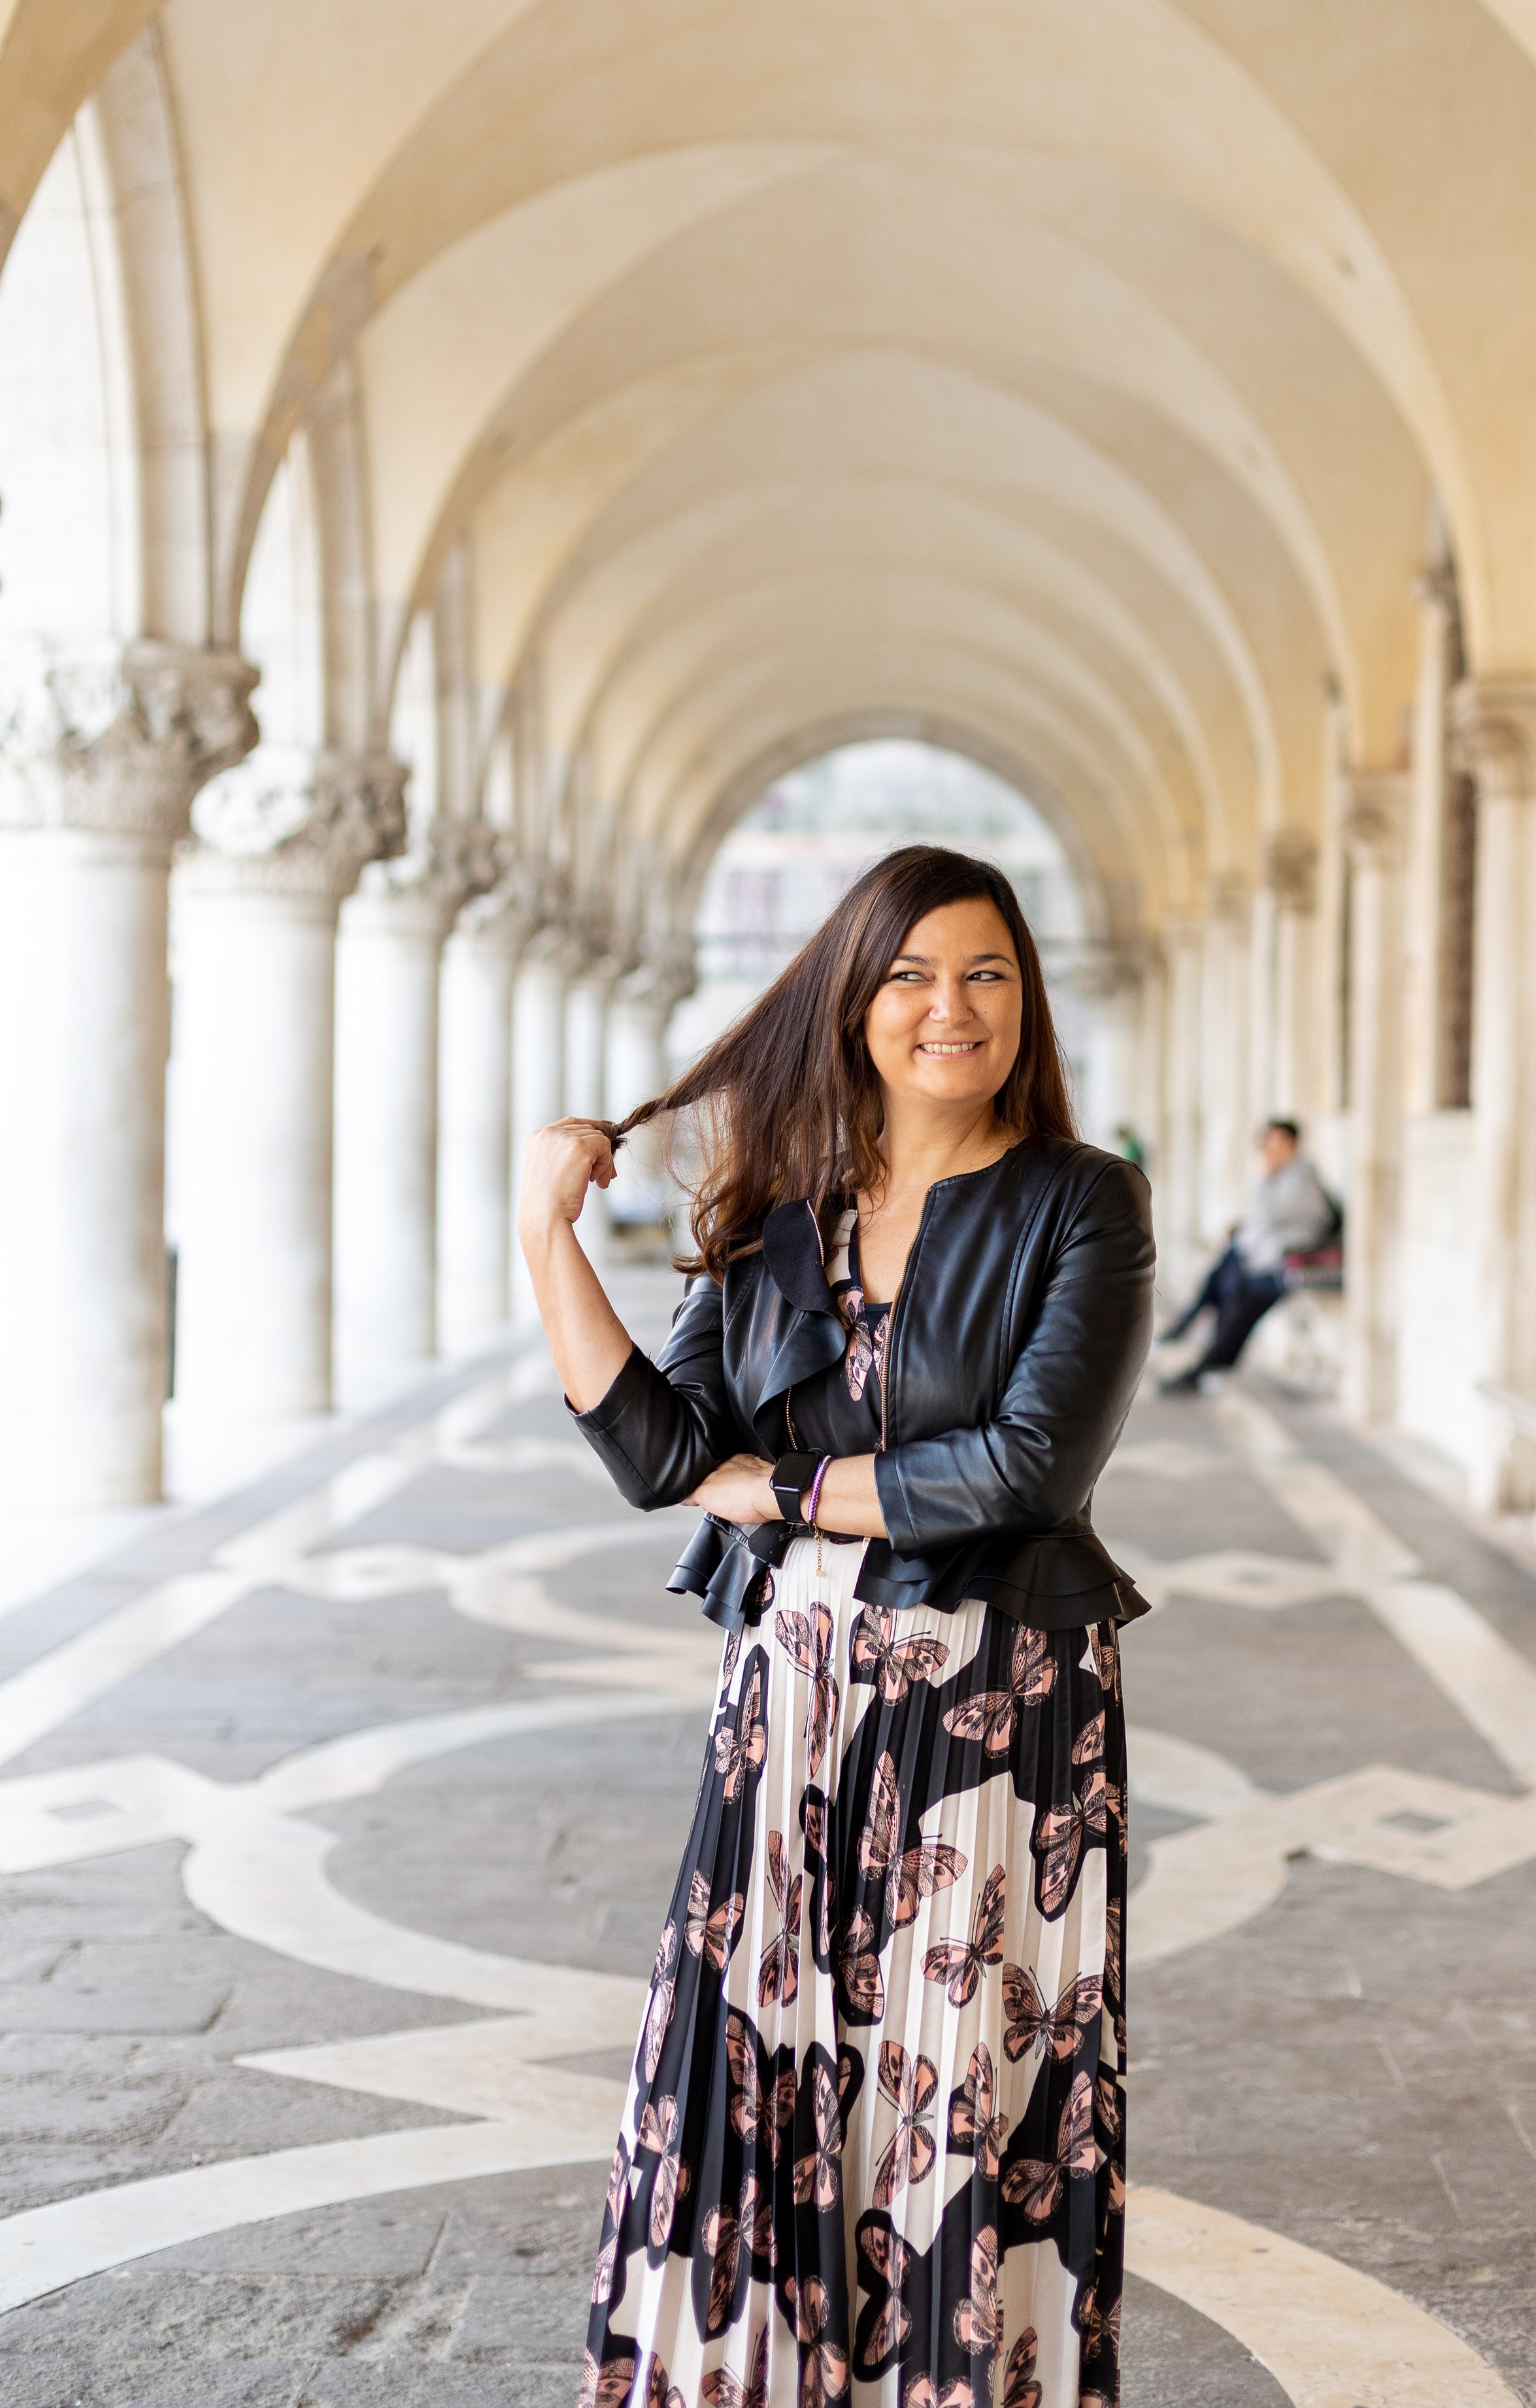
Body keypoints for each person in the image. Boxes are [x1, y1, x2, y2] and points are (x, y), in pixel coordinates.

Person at [518, 845, 1154, 2408]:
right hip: (790, 1706)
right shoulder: (781, 1208)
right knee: (749, 2054)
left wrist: (782, 1486)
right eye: (911, 975)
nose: (952, 1006)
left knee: (964, 2086)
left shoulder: (1079, 1202)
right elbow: (665, 1457)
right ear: (853, 1001)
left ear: (1026, 999)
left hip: (995, 1715)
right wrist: (547, 1240)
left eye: (987, 972)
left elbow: (1022, 1466)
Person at [1156, 1117, 1339, 1394]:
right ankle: (1195, 1345)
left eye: (1274, 1142)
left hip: (1285, 1268)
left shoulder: (1299, 1179)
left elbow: (1270, 1217)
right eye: (1266, 1142)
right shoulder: (1286, 1175)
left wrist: (1265, 1175)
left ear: (1292, 1145)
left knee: (1234, 1301)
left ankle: (1197, 1355)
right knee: (1225, 1278)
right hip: (1269, 1262)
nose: (1268, 1149)